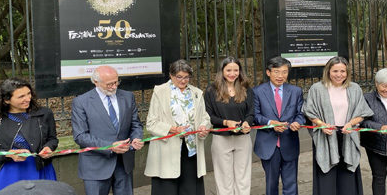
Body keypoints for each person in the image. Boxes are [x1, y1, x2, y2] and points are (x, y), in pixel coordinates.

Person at [303, 56, 373, 195]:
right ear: (328, 71)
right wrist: (322, 125)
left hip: (347, 134)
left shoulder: (354, 88)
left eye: (343, 71)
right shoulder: (317, 88)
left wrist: (351, 123)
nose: (339, 74)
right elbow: (309, 111)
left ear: (347, 72)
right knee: (326, 177)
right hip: (326, 135)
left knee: (347, 176)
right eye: (335, 71)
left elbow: (363, 112)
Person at [71, 65, 144, 195]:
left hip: (124, 164)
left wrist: (137, 138)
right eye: (109, 84)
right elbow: (80, 136)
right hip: (95, 165)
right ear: (96, 82)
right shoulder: (81, 102)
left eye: (116, 82)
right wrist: (110, 146)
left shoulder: (128, 97)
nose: (114, 87)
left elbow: (136, 124)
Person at [144, 59, 211, 195]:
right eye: (179, 77)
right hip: (167, 149)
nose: (183, 80)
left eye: (186, 77)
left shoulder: (196, 93)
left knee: (190, 188)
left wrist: (204, 127)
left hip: (190, 149)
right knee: (167, 188)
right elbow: (151, 123)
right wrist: (174, 129)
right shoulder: (160, 92)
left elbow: (205, 117)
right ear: (171, 75)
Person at [0, 78, 58, 192]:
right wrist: (8, 154)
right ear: (6, 100)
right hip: (10, 172)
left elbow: (52, 139)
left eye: (29, 93)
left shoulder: (45, 113)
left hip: (40, 167)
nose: (27, 99)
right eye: (21, 96)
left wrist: (49, 147)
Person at [253, 56, 305, 195]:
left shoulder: (296, 91)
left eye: (284, 72)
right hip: (268, 144)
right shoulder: (257, 91)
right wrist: (270, 123)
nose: (280, 76)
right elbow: (255, 115)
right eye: (276, 71)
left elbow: (301, 114)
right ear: (268, 72)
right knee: (271, 183)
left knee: (291, 183)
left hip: (289, 142)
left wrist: (297, 122)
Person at [205, 56, 255, 195]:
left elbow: (251, 112)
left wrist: (247, 122)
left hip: (243, 138)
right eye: (228, 70)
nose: (232, 73)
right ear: (222, 71)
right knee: (224, 178)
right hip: (221, 138)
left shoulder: (246, 89)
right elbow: (208, 115)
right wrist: (226, 122)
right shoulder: (211, 90)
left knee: (243, 177)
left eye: (235, 70)